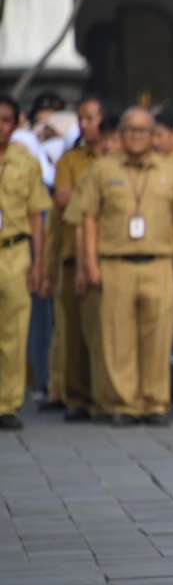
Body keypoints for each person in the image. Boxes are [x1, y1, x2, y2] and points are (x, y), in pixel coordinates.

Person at [70, 107, 173, 427]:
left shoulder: (171, 170)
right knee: (117, 335)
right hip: (115, 263)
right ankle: (123, 402)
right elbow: (88, 218)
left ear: (154, 135)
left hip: (159, 263)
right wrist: (89, 264)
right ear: (119, 134)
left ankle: (155, 402)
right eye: (130, 130)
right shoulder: (102, 169)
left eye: (143, 130)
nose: (136, 136)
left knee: (159, 336)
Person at [44, 96, 105, 422]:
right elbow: (65, 202)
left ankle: (105, 396)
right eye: (81, 118)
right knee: (72, 331)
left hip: (110, 253)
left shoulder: (117, 158)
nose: (85, 124)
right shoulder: (70, 160)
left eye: (91, 118)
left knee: (105, 331)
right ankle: (77, 396)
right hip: (71, 253)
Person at [0, 96, 51, 431]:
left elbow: (37, 216)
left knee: (14, 330)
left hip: (14, 250)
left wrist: (38, 263)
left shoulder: (26, 160)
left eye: (5, 119)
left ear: (16, 122)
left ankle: (7, 403)